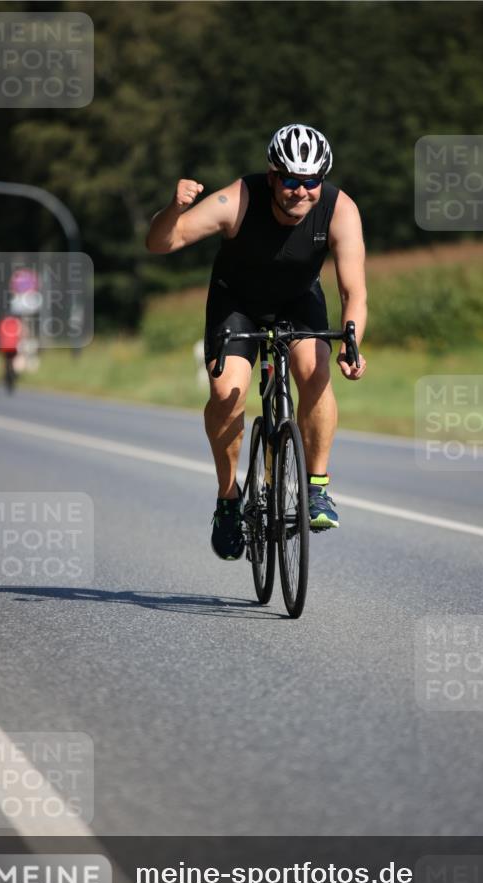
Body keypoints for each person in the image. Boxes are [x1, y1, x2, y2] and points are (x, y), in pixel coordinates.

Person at [146, 123, 367, 560]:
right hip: (237, 303)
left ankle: (317, 489)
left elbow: (353, 290)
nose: (300, 191)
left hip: (298, 302)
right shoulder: (237, 200)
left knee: (314, 370)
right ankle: (229, 499)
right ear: (272, 177)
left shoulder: (340, 210)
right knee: (227, 393)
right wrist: (173, 208)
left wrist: (352, 340)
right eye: (290, 180)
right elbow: (161, 242)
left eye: (310, 182)